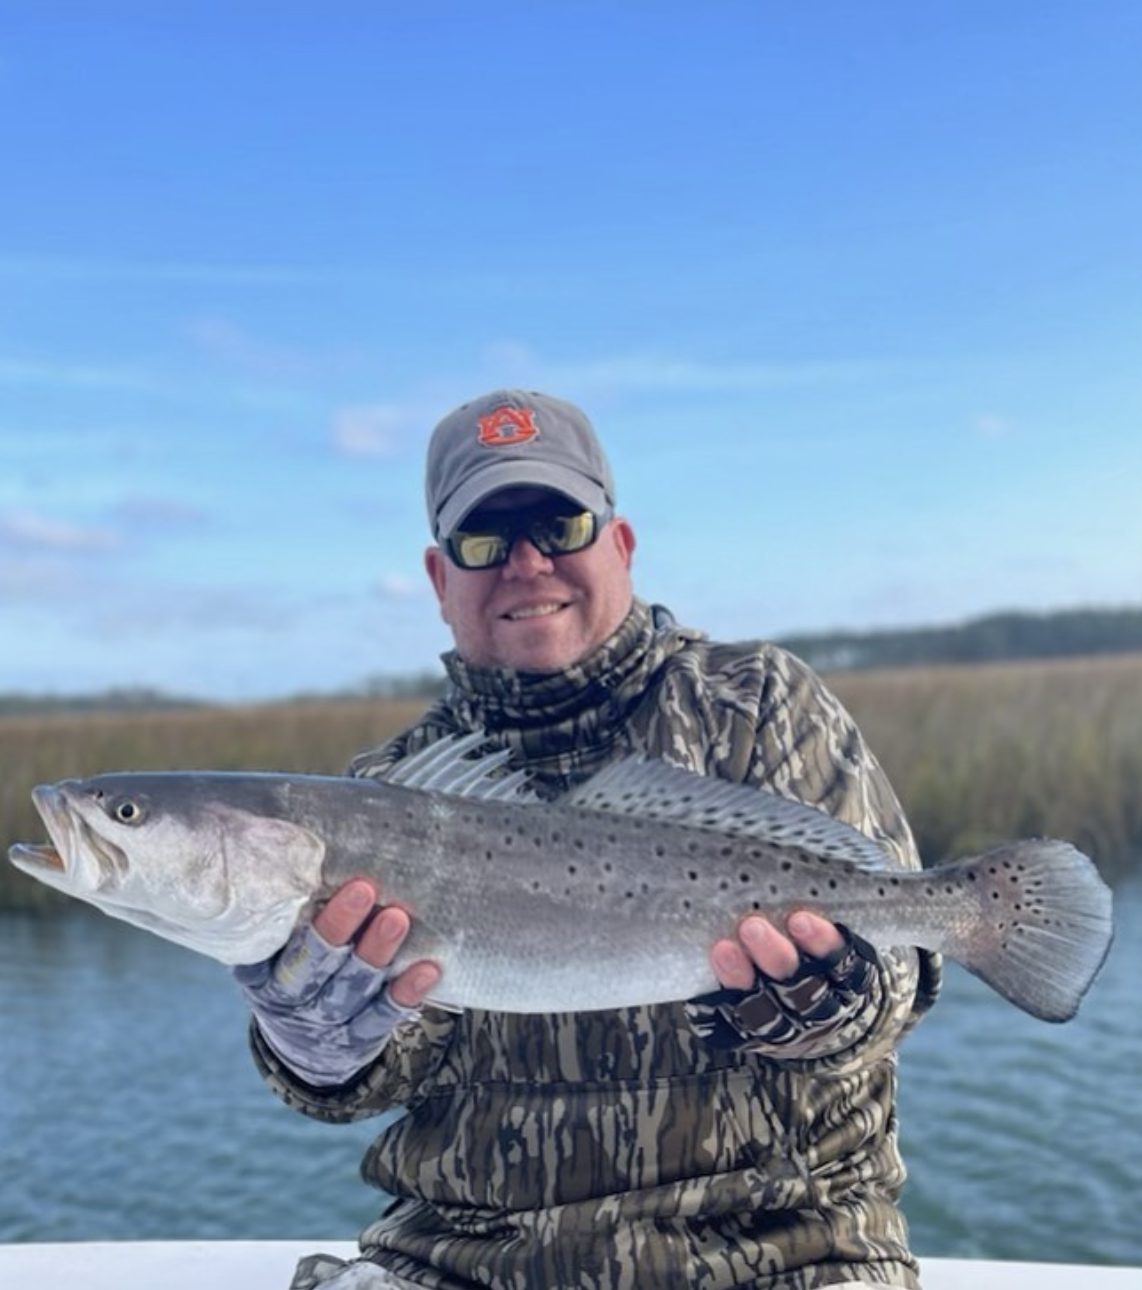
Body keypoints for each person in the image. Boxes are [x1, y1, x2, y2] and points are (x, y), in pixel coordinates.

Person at [234, 390, 942, 1290]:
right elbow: (383, 1073)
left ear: (622, 543)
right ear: (437, 577)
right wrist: (313, 1048)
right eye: (485, 541)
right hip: (464, 1262)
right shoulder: (389, 791)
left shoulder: (758, 702)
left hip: (782, 1251)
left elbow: (900, 972)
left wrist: (841, 1002)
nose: (528, 563)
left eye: (560, 524)